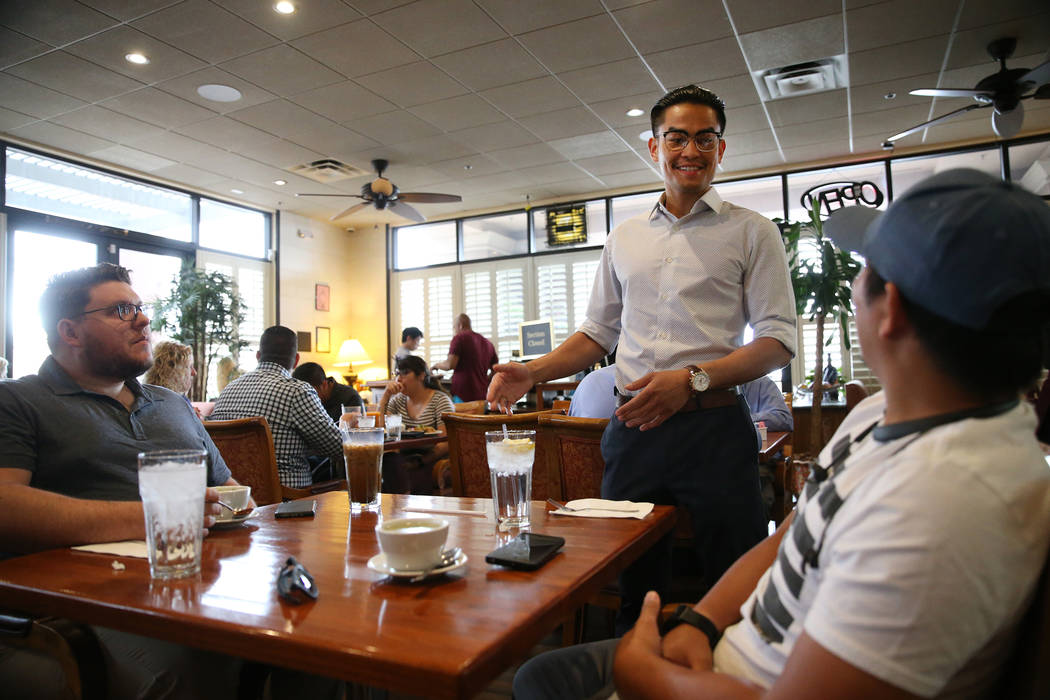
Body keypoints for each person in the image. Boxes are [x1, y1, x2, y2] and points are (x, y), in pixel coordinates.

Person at [513, 168, 1050, 700]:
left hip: (741, 674)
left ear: (895, 313)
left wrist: (643, 674)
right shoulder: (883, 416)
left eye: (867, 269)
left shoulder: (947, 504)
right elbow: (791, 535)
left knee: (538, 684)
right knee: (542, 675)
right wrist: (701, 624)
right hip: (730, 643)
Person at [489, 85, 796, 630]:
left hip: (716, 430)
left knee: (735, 589)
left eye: (706, 138)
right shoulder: (624, 238)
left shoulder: (752, 231)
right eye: (677, 137)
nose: (691, 151)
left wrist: (693, 380)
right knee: (634, 588)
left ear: (721, 150)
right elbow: (596, 333)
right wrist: (531, 372)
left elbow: (776, 341)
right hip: (633, 434)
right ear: (654, 147)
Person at [0, 262, 245, 698]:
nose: (144, 319)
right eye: (120, 310)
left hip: (200, 580)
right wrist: (152, 517)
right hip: (92, 599)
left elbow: (229, 490)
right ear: (70, 332)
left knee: (319, 641)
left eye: (140, 307)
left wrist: (232, 506)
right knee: (184, 669)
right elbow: (5, 504)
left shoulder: (172, 403)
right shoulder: (18, 401)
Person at [209, 325, 342, 489]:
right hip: (289, 503)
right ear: (296, 360)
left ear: (258, 356)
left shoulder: (228, 390)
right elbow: (338, 447)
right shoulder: (297, 391)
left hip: (235, 499)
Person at [380, 355, 453, 493]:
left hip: (432, 458)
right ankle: (396, 507)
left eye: (405, 373)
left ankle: (404, 505)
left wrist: (421, 461)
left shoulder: (440, 400)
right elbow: (383, 431)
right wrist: (385, 397)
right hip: (404, 456)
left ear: (421, 375)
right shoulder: (398, 401)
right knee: (388, 462)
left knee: (406, 472)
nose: (399, 379)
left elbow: (445, 443)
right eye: (397, 374)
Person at [432, 314, 498, 402]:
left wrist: (436, 365)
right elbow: (496, 369)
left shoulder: (459, 338)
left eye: (454, 327)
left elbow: (450, 365)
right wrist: (485, 381)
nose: (454, 330)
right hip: (482, 394)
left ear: (460, 325)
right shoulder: (488, 343)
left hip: (462, 394)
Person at [292, 361, 363, 422]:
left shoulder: (350, 397)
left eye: (309, 393)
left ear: (324, 384)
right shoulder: (303, 400)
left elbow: (354, 431)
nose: (306, 398)